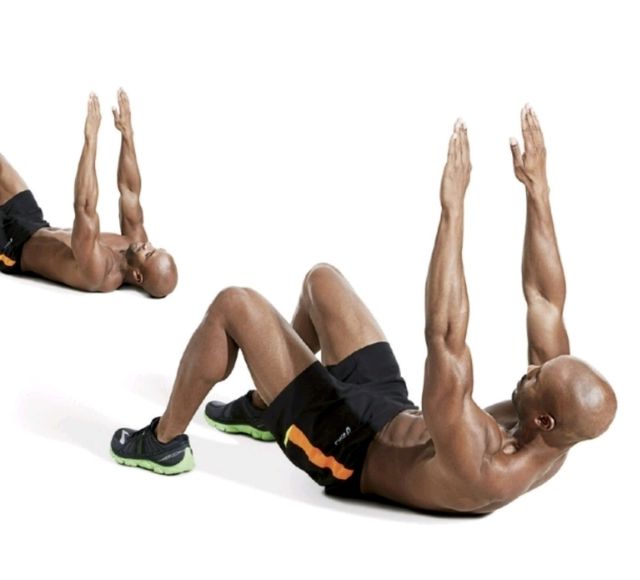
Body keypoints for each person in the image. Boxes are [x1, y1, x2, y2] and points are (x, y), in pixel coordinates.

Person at [110, 106, 616, 514]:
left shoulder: (483, 466)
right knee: (322, 282)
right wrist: (537, 191)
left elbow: (445, 339)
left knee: (233, 304)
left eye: (536, 377)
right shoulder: (556, 426)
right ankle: (267, 409)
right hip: (393, 409)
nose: (530, 369)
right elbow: (545, 301)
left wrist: (453, 210)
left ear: (544, 419)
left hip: (346, 448)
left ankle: (164, 442)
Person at [0, 89, 177, 296]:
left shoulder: (101, 273)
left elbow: (84, 207)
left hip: (11, 248)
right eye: (155, 248)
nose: (147, 245)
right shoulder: (134, 242)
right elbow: (130, 192)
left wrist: (91, 139)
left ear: (138, 276)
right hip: (34, 223)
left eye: (149, 254)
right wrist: (127, 134)